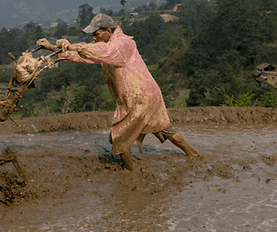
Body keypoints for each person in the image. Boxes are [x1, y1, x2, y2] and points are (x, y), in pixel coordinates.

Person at [36, 13, 197, 170]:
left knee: (118, 138)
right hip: (146, 95)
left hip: (139, 98)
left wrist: (73, 45)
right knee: (163, 128)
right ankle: (193, 154)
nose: (94, 38)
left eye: (96, 34)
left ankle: (129, 172)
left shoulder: (123, 44)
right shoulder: (109, 46)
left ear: (108, 31)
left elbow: (101, 50)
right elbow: (86, 55)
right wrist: (52, 48)